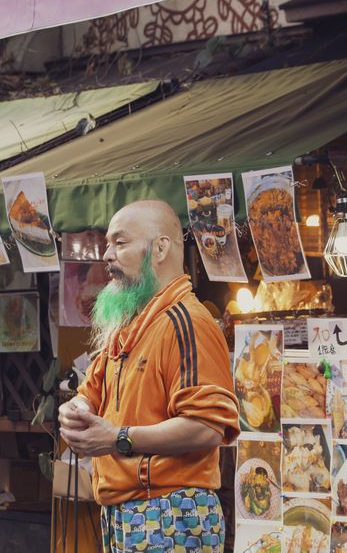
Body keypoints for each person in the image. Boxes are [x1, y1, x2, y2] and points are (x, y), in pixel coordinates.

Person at [59, 200, 240, 552]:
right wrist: (76, 409)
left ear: (160, 248)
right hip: (127, 511)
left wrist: (118, 438)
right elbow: (91, 390)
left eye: (121, 243)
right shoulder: (131, 325)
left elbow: (208, 426)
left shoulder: (188, 321)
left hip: (171, 511)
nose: (107, 255)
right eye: (108, 244)